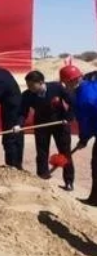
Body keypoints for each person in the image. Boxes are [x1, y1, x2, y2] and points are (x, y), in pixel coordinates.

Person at [20, 70, 73, 189]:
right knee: (42, 152)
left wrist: (68, 117)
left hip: (60, 123)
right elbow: (22, 112)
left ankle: (68, 181)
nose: (29, 88)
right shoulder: (27, 95)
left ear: (41, 82)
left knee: (65, 152)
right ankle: (42, 177)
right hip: (41, 124)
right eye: (28, 85)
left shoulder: (57, 87)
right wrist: (19, 125)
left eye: (31, 85)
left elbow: (72, 102)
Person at [60, 64, 97, 205]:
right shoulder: (92, 84)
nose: (65, 87)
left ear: (72, 81)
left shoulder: (83, 99)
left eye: (65, 83)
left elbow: (85, 123)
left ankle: (95, 200)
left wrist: (83, 139)